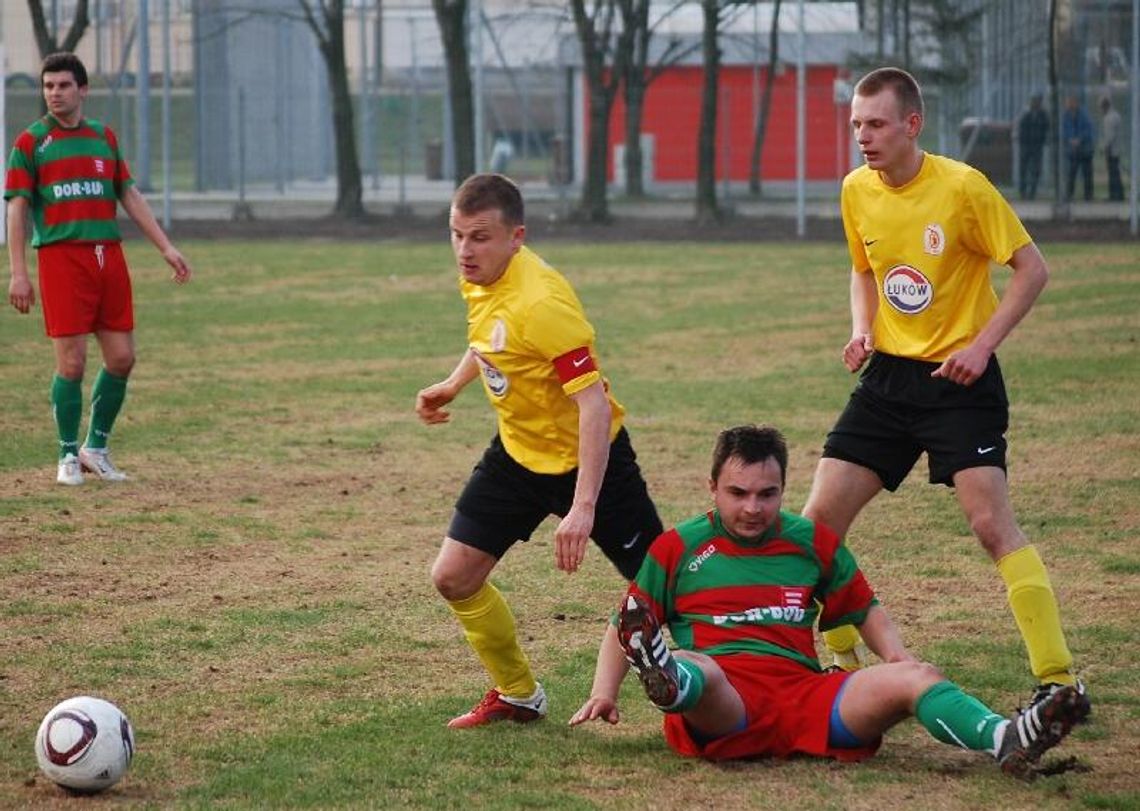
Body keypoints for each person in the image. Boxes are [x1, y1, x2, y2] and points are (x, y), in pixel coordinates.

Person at [799, 68, 1085, 717]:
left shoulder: (962, 188)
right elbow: (862, 269)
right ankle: (839, 659)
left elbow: (1032, 270)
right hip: (889, 381)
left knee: (990, 525)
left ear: (911, 125)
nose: (862, 137)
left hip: (961, 383)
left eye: (874, 124)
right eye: (855, 126)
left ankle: (1060, 679)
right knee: (817, 524)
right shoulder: (855, 190)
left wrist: (982, 344)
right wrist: (860, 329)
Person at [570, 425, 1089, 779]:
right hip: (726, 702)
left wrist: (895, 658)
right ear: (713, 488)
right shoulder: (678, 547)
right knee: (696, 666)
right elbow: (628, 621)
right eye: (738, 493)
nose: (753, 507)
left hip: (805, 696)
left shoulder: (811, 541)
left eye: (767, 494)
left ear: (783, 488)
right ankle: (667, 681)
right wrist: (604, 691)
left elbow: (863, 609)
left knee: (920, 677)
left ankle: (1005, 738)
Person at [416, 172, 662, 728]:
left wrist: (582, 507)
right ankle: (518, 694)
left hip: (588, 457)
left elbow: (594, 408)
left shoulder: (543, 303)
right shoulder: (481, 276)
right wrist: (453, 384)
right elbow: (490, 339)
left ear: (516, 236)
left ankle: (738, 680)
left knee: (665, 585)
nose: (464, 250)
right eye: (456, 235)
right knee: (453, 576)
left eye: (479, 237)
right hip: (517, 457)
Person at [5, 52, 192, 486]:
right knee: (71, 363)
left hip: (107, 256)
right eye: (48, 86)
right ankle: (67, 455)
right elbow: (17, 211)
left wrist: (165, 247)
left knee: (123, 357)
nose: (55, 93)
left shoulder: (103, 137)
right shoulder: (31, 143)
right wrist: (19, 272)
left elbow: (128, 194)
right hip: (61, 258)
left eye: (64, 85)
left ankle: (96, 447)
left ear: (83, 90)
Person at [1061, 95, 1095, 202]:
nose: (1069, 104)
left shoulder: (1084, 115)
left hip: (1084, 149)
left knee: (1087, 173)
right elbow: (1064, 130)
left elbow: (1089, 129)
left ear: (1076, 103)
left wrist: (1079, 139)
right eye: (1068, 102)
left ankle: (1088, 196)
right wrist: (1070, 139)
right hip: (1073, 150)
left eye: (1071, 102)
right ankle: (1069, 195)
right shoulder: (1066, 116)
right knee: (1072, 173)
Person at [1016, 94, 1049, 200]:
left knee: (1036, 170)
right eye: (1034, 101)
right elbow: (1021, 128)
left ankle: (1032, 192)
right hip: (1026, 145)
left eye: (1038, 102)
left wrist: (1042, 140)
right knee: (1023, 169)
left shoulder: (1043, 115)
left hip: (1037, 146)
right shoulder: (1026, 114)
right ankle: (1023, 192)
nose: (1036, 104)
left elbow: (1046, 128)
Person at [1099, 96, 1124, 202]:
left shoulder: (1109, 118)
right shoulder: (1116, 115)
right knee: (1116, 173)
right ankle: (1119, 194)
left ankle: (1114, 195)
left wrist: (1103, 147)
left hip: (1112, 150)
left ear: (1104, 106)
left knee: (1113, 173)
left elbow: (1110, 136)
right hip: (1117, 149)